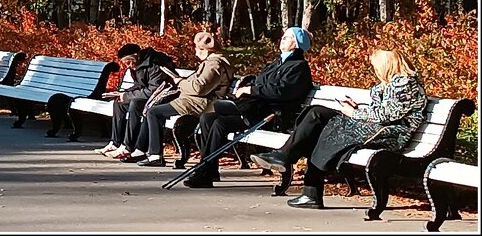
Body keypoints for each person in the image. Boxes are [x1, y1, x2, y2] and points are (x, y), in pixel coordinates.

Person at [250, 48, 427, 209]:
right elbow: (382, 113)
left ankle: (303, 181)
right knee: (316, 113)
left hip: (390, 135)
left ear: (387, 65)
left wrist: (352, 113)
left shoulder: (404, 85)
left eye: (376, 67)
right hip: (377, 127)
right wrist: (356, 109)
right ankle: (286, 159)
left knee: (326, 128)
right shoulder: (393, 84)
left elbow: (386, 116)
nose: (375, 71)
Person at [183, 26, 314, 188]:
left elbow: (281, 92)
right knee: (207, 117)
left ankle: (204, 172)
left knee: (220, 123)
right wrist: (249, 87)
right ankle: (209, 170)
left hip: (272, 116)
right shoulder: (278, 62)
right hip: (255, 110)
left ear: (295, 43)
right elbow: (261, 82)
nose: (282, 40)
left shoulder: (298, 67)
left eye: (286, 37)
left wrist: (251, 90)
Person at [135, 31, 233, 168]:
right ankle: (150, 152)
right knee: (153, 109)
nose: (195, 51)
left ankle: (155, 155)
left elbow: (199, 88)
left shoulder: (214, 64)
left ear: (204, 50)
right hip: (193, 101)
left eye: (196, 48)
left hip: (198, 103)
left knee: (154, 112)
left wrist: (180, 82)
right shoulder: (212, 62)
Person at [94, 43, 177, 161]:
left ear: (136, 55)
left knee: (135, 104)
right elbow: (140, 85)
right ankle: (115, 142)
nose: (128, 66)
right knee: (119, 103)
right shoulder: (137, 64)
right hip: (149, 95)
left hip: (161, 96)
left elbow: (154, 89)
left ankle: (127, 147)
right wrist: (121, 93)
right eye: (125, 63)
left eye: (128, 62)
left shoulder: (156, 63)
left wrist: (127, 96)